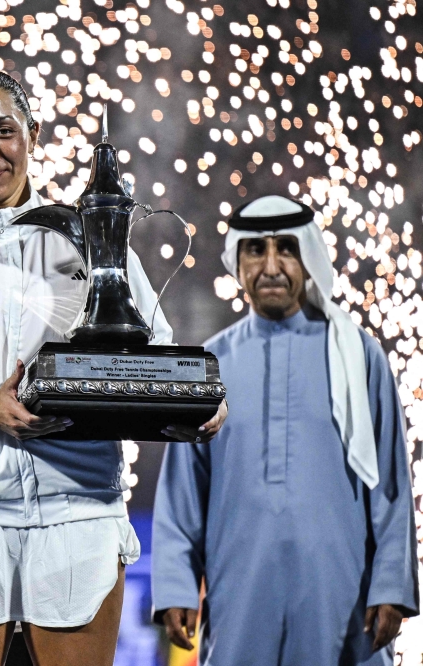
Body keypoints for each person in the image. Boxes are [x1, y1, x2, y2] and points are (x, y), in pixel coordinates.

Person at [0, 69, 226, 666]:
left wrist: (193, 402)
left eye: (3, 131)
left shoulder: (93, 240)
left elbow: (153, 354)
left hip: (78, 514)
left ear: (33, 134)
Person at [151, 195, 419, 665]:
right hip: (240, 597)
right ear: (238, 260)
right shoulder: (210, 366)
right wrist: (175, 586)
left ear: (309, 257)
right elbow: (181, 493)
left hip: (342, 599)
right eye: (256, 250)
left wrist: (391, 586)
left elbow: (393, 487)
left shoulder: (358, 355)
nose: (271, 265)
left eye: (286, 249)